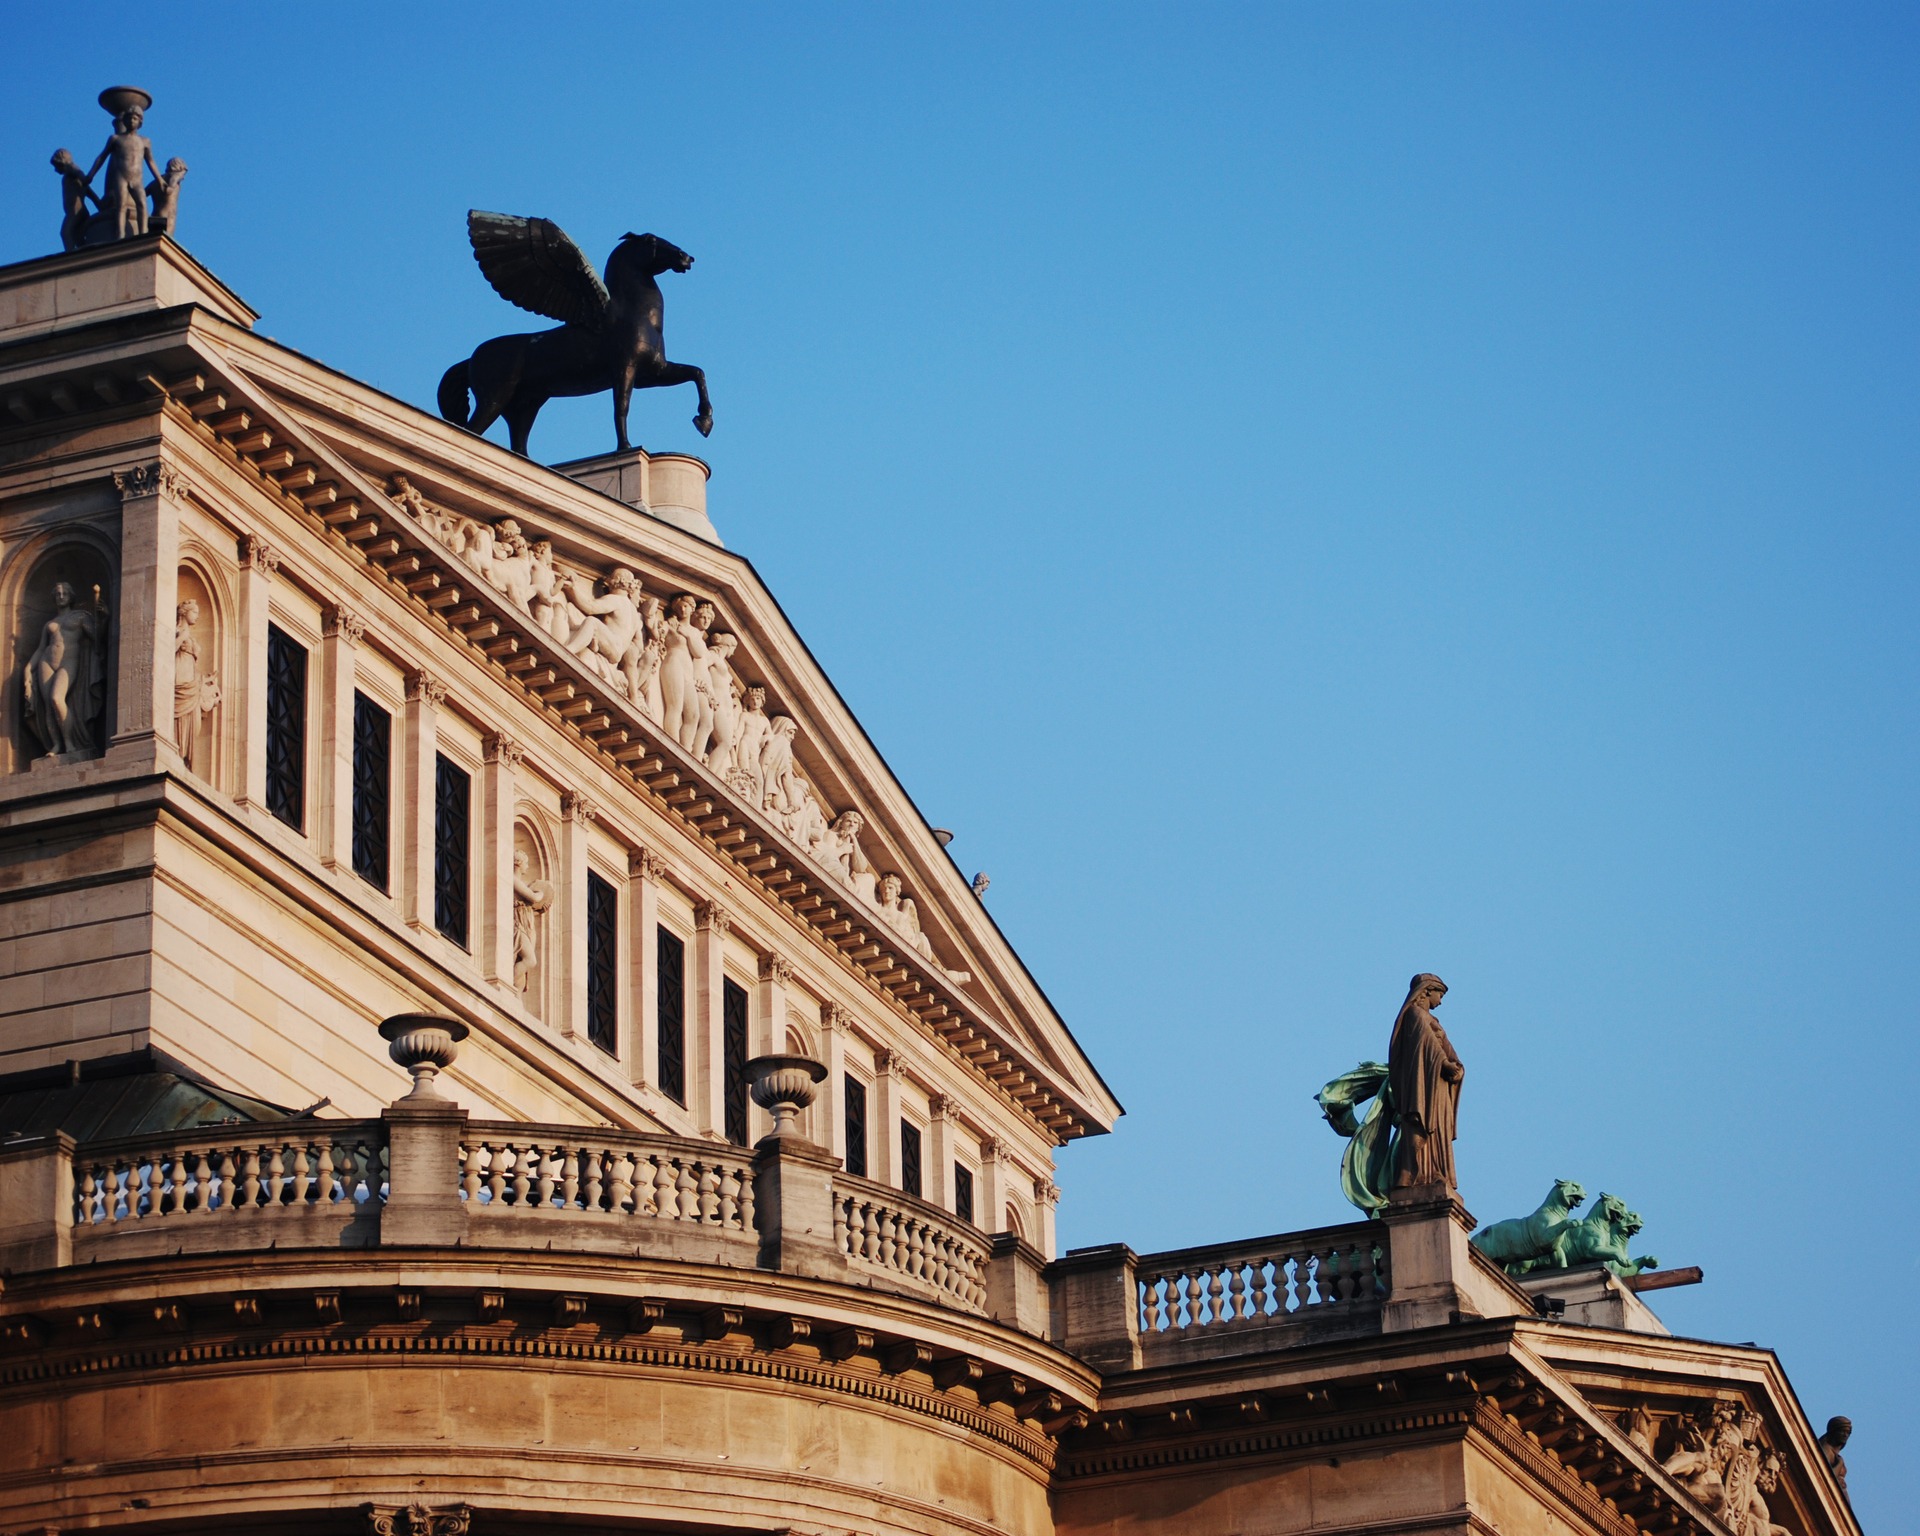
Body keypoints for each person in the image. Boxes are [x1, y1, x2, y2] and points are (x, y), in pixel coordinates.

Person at [1386, 972, 1463, 1193]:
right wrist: (1446, 1065)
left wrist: (1457, 1066)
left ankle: (1436, 1172)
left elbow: (1447, 1050)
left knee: (1437, 1131)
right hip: (1422, 1085)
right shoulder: (1415, 1015)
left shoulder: (1430, 1020)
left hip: (1436, 1086)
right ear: (1427, 990)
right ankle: (1416, 1175)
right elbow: (1427, 1044)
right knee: (1421, 1128)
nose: (1441, 1001)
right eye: (1440, 995)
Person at [24, 581, 107, 760]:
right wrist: (27, 671)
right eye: (58, 594)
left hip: (69, 661)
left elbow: (97, 638)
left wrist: (103, 618)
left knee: (56, 698)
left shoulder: (80, 617)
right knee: (47, 706)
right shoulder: (50, 623)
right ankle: (56, 744)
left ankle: (70, 743)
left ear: (71, 597)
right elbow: (40, 648)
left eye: (64, 594)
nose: (61, 597)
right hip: (47, 661)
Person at [88, 100, 161, 241]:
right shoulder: (115, 139)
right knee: (121, 205)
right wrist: (91, 175)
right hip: (121, 178)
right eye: (129, 118)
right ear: (124, 120)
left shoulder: (145, 141)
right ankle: (120, 234)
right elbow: (101, 157)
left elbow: (151, 161)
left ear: (140, 122)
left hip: (136, 179)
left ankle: (143, 233)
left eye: (135, 118)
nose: (132, 121)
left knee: (142, 204)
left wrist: (159, 179)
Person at [51, 149, 100, 252]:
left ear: (61, 161)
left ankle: (70, 257)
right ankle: (85, 256)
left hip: (75, 211)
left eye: (56, 166)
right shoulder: (69, 177)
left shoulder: (70, 168)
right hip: (80, 211)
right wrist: (99, 203)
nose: (55, 170)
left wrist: (85, 178)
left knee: (65, 233)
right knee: (78, 238)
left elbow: (79, 173)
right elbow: (90, 193)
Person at [146, 157, 187, 237]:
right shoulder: (175, 176)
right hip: (168, 217)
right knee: (167, 241)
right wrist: (182, 173)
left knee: (153, 239)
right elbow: (171, 185)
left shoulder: (155, 182)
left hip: (155, 215)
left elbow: (143, 194)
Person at [1817, 1416, 1851, 1499]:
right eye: (1842, 1431)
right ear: (1834, 1431)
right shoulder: (1826, 1449)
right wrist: (1840, 1463)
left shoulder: (1836, 1455)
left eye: (1848, 1433)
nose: (1845, 1435)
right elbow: (1826, 1477)